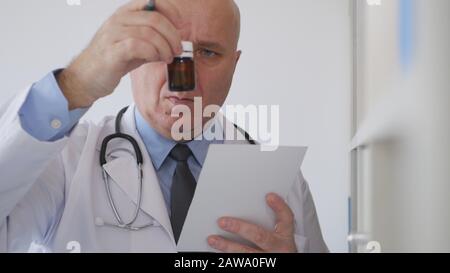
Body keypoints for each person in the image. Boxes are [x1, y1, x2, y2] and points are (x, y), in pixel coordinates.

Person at [0, 0, 328, 253]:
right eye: (163, 49)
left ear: (234, 64)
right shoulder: (63, 161)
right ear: (128, 57)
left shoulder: (282, 180)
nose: (183, 80)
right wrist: (74, 84)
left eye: (209, 52)